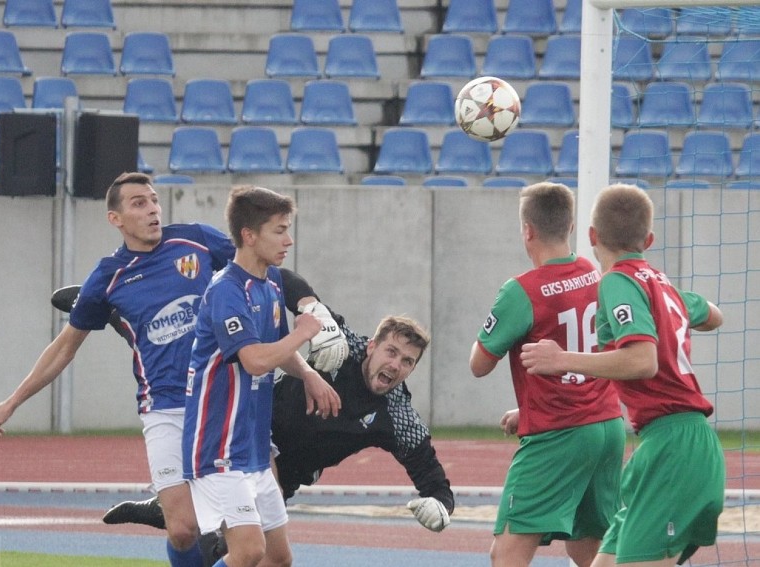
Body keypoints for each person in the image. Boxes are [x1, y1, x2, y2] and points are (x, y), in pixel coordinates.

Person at [0, 173, 345, 567]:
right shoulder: (108, 276)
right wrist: (12, 402)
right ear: (115, 219)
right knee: (185, 530)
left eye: (154, 200)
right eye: (138, 203)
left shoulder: (196, 240)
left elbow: (265, 282)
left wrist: (308, 351)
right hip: (166, 409)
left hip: (225, 408)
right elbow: (64, 347)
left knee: (261, 547)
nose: (152, 208)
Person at [59, 290, 454, 540]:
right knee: (196, 354)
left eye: (408, 361)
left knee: (221, 545)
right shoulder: (343, 344)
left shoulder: (398, 414)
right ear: (371, 346)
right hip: (248, 424)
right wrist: (312, 311)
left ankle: (167, 510)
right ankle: (115, 310)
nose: (397, 365)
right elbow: (289, 285)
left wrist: (440, 507)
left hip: (286, 479)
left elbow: (433, 477)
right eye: (391, 352)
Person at [520, 183, 725, 567]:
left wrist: (562, 359)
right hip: (675, 447)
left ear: (592, 235)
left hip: (672, 450)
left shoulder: (614, 281)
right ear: (648, 239)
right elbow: (714, 314)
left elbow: (642, 361)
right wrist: (674, 303)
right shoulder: (660, 285)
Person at [181, 184, 341, 567]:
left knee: (278, 558)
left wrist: (307, 374)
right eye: (279, 230)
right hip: (219, 444)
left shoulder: (268, 286)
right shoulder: (227, 290)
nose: (288, 240)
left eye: (288, 228)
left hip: (251, 445)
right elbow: (254, 360)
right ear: (249, 236)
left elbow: (274, 348)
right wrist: (303, 333)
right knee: (249, 551)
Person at [469, 181, 625, 567]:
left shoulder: (521, 290)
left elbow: (479, 364)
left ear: (527, 230)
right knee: (590, 550)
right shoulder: (592, 271)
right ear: (570, 226)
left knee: (506, 556)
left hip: (559, 433)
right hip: (606, 426)